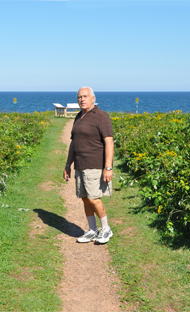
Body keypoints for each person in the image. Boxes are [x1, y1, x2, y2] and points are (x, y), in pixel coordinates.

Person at [63, 86, 114, 244]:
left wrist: (108, 167)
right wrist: (67, 164)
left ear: (93, 98)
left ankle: (106, 229)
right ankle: (92, 230)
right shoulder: (79, 117)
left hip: (95, 165)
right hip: (80, 165)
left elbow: (109, 142)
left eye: (85, 96)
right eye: (79, 97)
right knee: (85, 198)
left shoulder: (101, 116)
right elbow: (73, 143)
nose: (82, 99)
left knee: (94, 198)